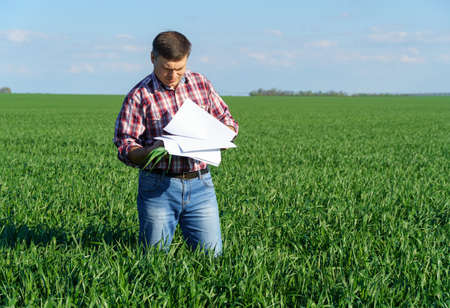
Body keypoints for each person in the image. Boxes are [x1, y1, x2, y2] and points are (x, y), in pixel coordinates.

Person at [113, 31, 238, 256]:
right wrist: (149, 152)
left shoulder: (201, 83)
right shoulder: (139, 95)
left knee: (211, 257)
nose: (173, 75)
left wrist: (223, 135)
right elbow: (125, 145)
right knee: (154, 258)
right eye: (167, 68)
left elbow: (228, 121)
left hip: (201, 185)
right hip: (158, 186)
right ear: (152, 58)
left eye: (179, 69)